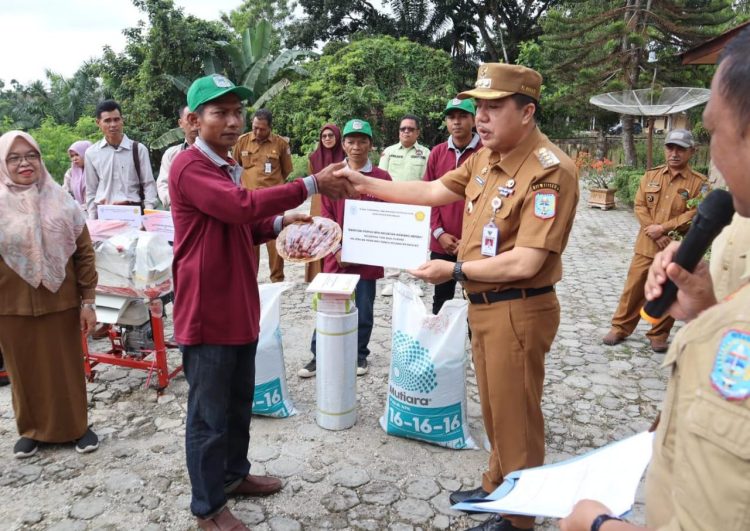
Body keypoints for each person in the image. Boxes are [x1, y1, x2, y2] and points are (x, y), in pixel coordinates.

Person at [339, 63, 579, 531]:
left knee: (518, 415)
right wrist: (364, 183)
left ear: (527, 111)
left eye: (493, 107)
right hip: (486, 305)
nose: (480, 116)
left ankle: (518, 516)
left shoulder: (550, 172)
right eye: (479, 106)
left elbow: (526, 261)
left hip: (520, 306)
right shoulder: (485, 158)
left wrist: (455, 269)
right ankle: (496, 484)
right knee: (493, 406)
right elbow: (432, 190)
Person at [560, 26, 750, 531]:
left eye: (713, 132)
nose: (711, 158)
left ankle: (654, 332)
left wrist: (596, 525)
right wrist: (709, 308)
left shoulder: (702, 192)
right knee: (633, 291)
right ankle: (625, 324)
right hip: (647, 241)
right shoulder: (723, 219)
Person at [169, 74, 354, 530]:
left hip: (237, 306)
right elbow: (236, 207)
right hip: (207, 310)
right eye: (221, 113)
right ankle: (207, 508)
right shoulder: (189, 166)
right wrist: (310, 186)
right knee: (208, 416)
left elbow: (241, 223)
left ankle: (234, 476)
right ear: (193, 121)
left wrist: (277, 224)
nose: (233, 121)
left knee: (237, 402)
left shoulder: (225, 165)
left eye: (237, 112)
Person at [0, 130, 99, 459]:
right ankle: (31, 430)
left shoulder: (62, 200)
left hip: (61, 300)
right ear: (3, 163)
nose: (24, 163)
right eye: (14, 157)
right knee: (22, 369)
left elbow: (84, 252)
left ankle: (77, 428)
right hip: (10, 305)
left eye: (31, 156)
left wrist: (88, 301)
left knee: (67, 368)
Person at [298, 119, 392, 379]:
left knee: (363, 307)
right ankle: (319, 354)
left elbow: (389, 216)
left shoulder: (382, 178)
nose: (356, 146)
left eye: (362, 141)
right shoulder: (334, 174)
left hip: (367, 259)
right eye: (351, 141)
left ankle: (359, 353)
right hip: (336, 257)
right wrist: (337, 248)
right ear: (344, 144)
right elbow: (325, 215)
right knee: (329, 308)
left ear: (371, 145)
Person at [602, 130, 708, 353]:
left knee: (668, 290)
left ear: (692, 151)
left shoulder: (700, 183)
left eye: (681, 148)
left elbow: (696, 212)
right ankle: (620, 327)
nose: (674, 153)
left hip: (675, 247)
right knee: (633, 288)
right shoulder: (651, 176)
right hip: (647, 245)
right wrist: (655, 232)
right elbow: (640, 205)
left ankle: (659, 334)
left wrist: (664, 229)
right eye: (670, 147)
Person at [423, 97, 482, 314]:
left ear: (473, 120)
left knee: (477, 300)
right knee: (441, 300)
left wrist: (470, 237)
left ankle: (477, 346)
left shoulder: (487, 152)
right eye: (451, 117)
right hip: (442, 242)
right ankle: (441, 348)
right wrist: (439, 233)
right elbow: (427, 195)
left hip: (475, 244)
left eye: (462, 117)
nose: (456, 122)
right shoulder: (437, 153)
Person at [232, 108, 294, 283]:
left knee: (275, 242)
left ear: (270, 128)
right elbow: (235, 168)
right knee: (250, 241)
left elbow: (286, 170)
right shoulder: (242, 142)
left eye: (262, 129)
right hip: (249, 202)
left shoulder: (280, 144)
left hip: (273, 202)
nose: (258, 132)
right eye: (255, 127)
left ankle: (277, 278)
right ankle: (251, 279)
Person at [379, 114, 431, 296]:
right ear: (399, 132)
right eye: (403, 129)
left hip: (416, 207)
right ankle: (391, 281)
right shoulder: (389, 152)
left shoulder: (425, 154)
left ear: (417, 132)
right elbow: (380, 178)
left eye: (410, 129)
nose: (406, 132)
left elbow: (429, 181)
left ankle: (414, 282)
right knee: (391, 242)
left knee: (416, 244)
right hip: (392, 205)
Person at [85, 99, 158, 218]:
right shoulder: (92, 153)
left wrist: (148, 214)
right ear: (98, 123)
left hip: (133, 212)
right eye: (107, 121)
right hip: (104, 214)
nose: (113, 124)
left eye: (116, 119)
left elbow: (148, 184)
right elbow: (91, 190)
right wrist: (93, 219)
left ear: (122, 120)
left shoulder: (138, 149)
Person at [304, 123, 345, 282]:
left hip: (338, 200)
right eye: (324, 136)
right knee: (318, 235)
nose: (327, 139)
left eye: (331, 135)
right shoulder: (313, 158)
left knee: (335, 234)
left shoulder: (344, 157)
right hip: (319, 201)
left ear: (337, 137)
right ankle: (317, 277)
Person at [156, 104, 199, 208]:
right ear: (180, 123)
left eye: (197, 119)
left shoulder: (218, 153)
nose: (194, 124)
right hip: (179, 215)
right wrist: (179, 202)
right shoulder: (171, 154)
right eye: (190, 119)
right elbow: (163, 185)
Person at [62, 140, 92, 213]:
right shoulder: (70, 173)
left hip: (96, 212)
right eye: (72, 156)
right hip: (78, 213)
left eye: (77, 155)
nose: (74, 159)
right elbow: (64, 193)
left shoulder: (97, 171)